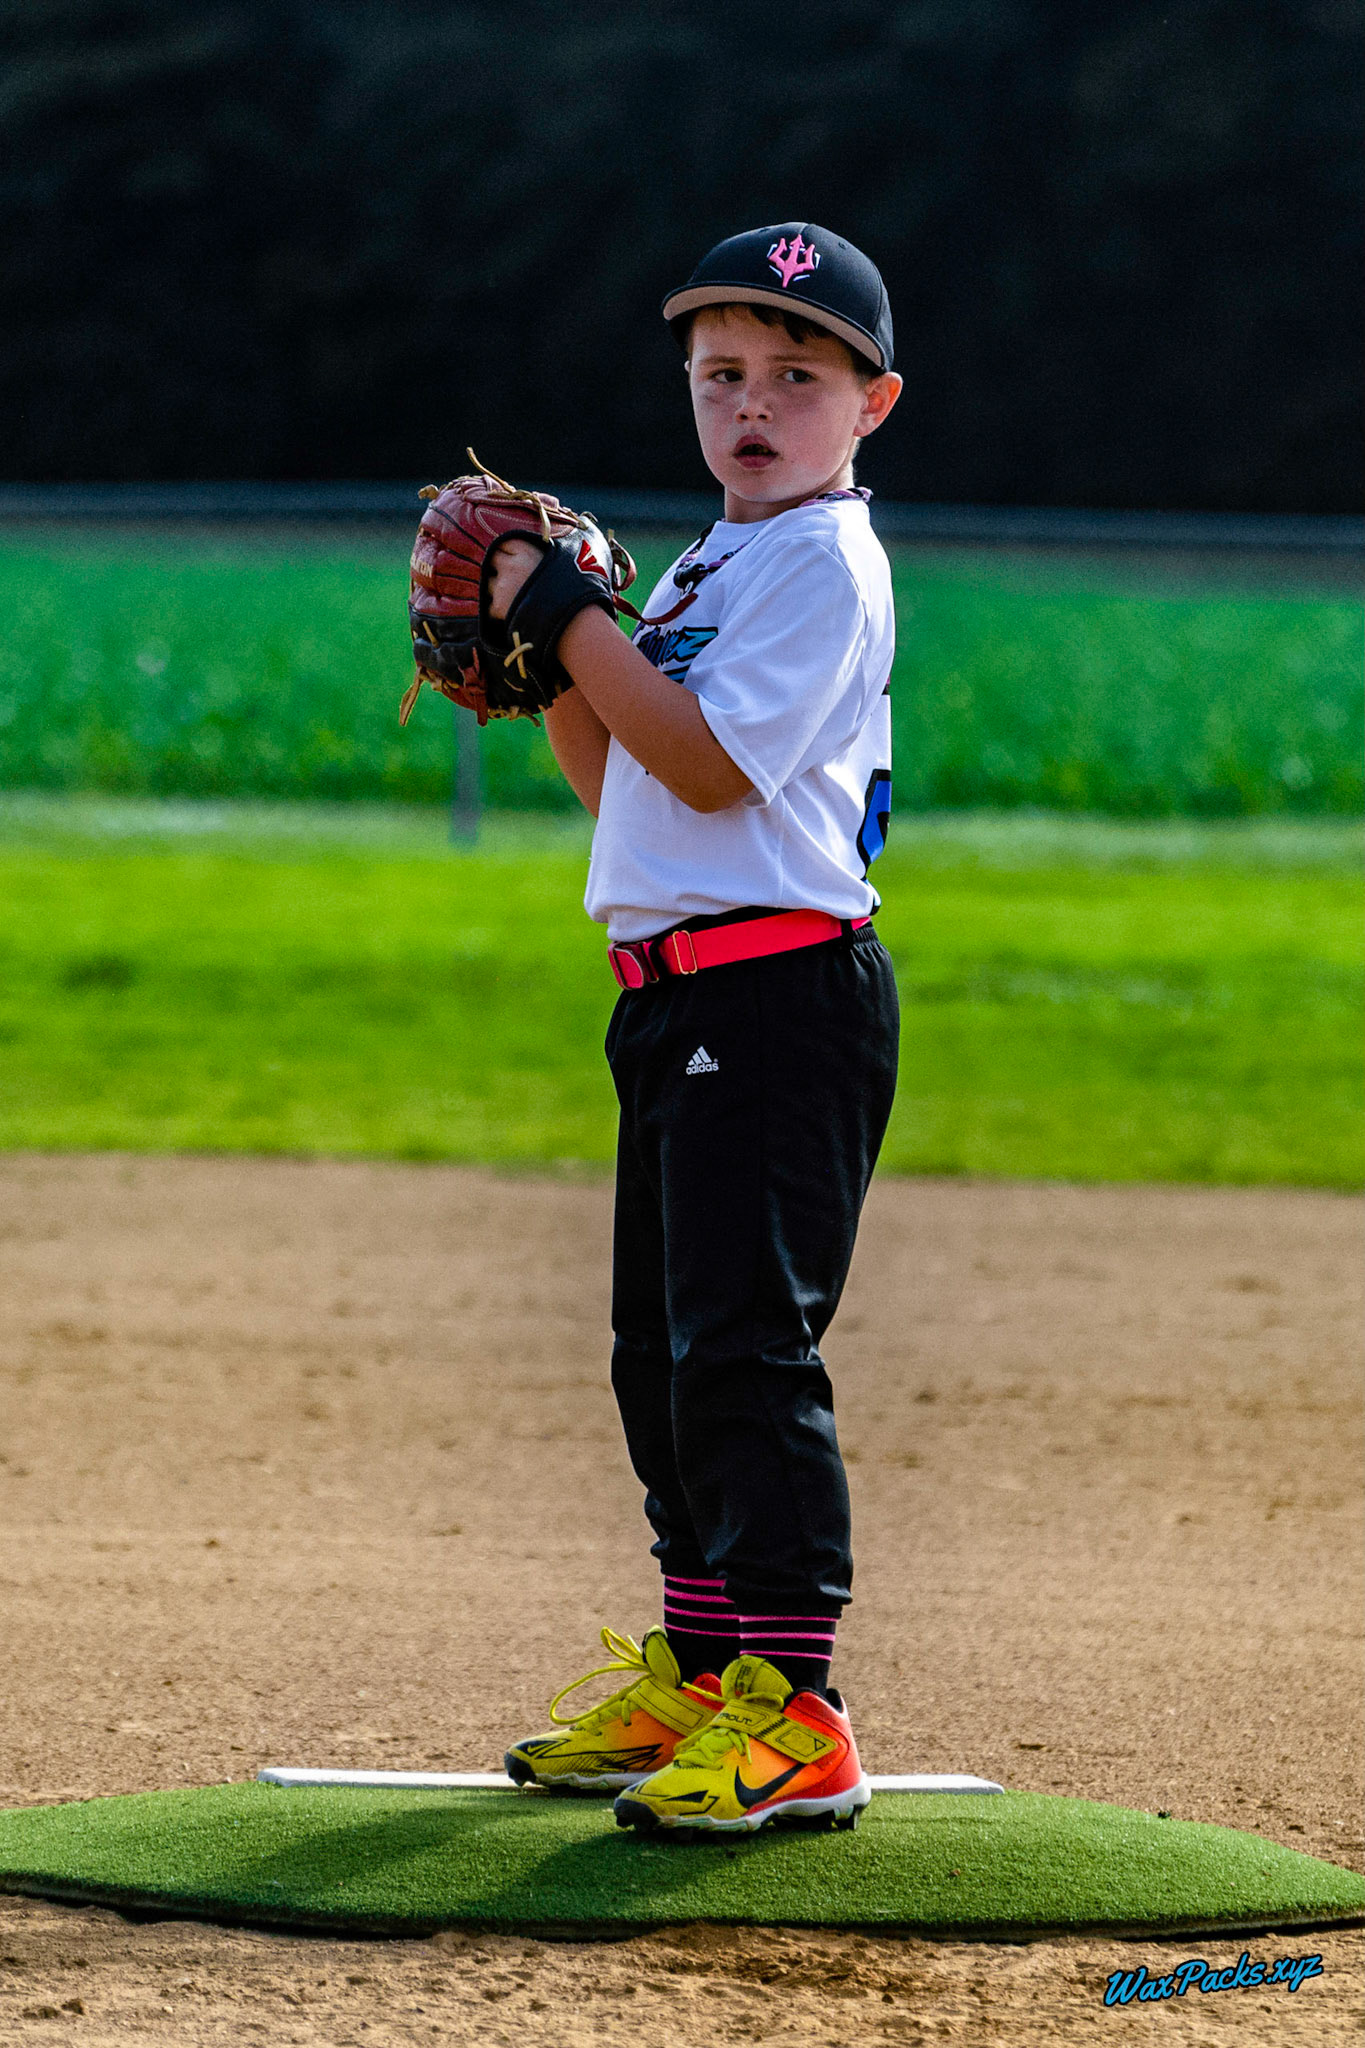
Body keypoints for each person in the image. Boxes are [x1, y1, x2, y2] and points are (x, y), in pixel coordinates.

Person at [498, 223, 903, 1832]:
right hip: (675, 998)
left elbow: (723, 771)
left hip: (781, 995)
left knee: (741, 1349)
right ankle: (702, 1673)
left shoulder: (822, 563)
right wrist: (541, 660)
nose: (753, 404)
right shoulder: (711, 561)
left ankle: (795, 1710)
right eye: (720, 372)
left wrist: (570, 617)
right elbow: (625, 779)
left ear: (872, 404)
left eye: (797, 377)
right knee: (655, 1360)